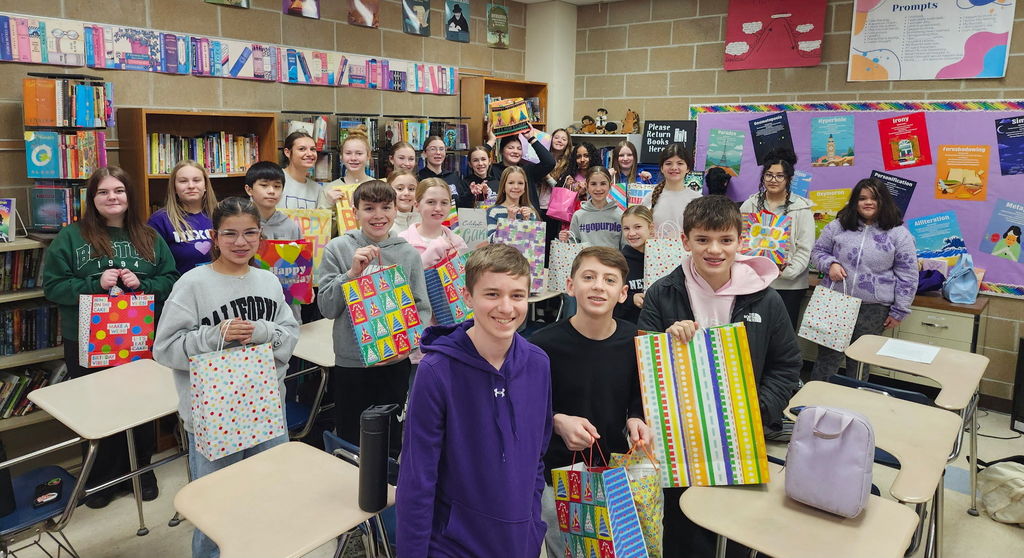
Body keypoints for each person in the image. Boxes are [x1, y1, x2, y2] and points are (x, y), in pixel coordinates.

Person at [638, 195, 802, 558]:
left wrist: (756, 411)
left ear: (740, 242)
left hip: (741, 437)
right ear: (685, 241)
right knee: (683, 526)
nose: (715, 250)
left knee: (736, 529)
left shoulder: (765, 299)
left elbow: (787, 365)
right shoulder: (663, 294)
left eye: (725, 240)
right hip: (679, 437)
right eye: (703, 240)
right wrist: (664, 342)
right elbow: (642, 360)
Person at [153, 196, 299, 558]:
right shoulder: (193, 283)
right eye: (230, 234)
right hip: (213, 416)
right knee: (216, 505)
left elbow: (289, 335)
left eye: (250, 233)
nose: (240, 242)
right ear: (215, 238)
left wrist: (263, 332)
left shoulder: (268, 281)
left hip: (267, 410)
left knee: (268, 495)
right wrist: (214, 335)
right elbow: (165, 348)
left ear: (260, 235)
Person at [396, 244, 552, 558]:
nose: (506, 308)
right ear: (467, 297)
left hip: (520, 542)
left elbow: (537, 455)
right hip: (454, 544)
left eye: (517, 296)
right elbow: (418, 477)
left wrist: (533, 527)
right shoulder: (437, 371)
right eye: (492, 294)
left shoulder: (538, 363)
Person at [42, 166, 179, 508]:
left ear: (129, 196)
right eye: (103, 192)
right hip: (87, 341)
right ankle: (101, 478)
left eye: (119, 190)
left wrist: (142, 284)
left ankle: (140, 471)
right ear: (92, 199)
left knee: (142, 407)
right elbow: (53, 287)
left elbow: (171, 280)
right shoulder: (71, 237)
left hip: (138, 339)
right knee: (97, 410)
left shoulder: (149, 237)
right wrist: (94, 285)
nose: (112, 197)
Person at [530, 246, 649, 558]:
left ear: (623, 293)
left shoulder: (635, 340)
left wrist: (635, 417)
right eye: (589, 277)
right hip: (558, 477)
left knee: (617, 549)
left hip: (616, 472)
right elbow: (525, 408)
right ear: (571, 286)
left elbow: (641, 394)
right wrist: (556, 420)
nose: (598, 285)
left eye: (609, 280)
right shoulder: (541, 346)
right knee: (566, 550)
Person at [317, 180, 432, 455]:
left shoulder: (406, 253)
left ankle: (388, 489)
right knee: (350, 436)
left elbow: (421, 307)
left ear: (396, 210)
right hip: (351, 364)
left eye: (385, 207)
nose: (378, 215)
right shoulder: (338, 248)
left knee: (390, 437)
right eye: (368, 208)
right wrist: (352, 275)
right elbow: (327, 308)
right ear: (354, 211)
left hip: (394, 364)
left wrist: (407, 345)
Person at [809, 178, 918, 381]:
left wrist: (900, 310)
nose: (868, 202)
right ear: (855, 202)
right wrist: (830, 264)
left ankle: (854, 408)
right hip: (835, 302)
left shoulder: (899, 234)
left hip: (873, 308)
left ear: (883, 201)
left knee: (860, 362)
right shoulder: (837, 226)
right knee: (827, 360)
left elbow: (908, 275)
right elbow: (818, 251)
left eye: (874, 198)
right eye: (862, 198)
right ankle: (813, 404)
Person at [739, 151, 815, 330]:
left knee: (782, 335)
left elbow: (805, 248)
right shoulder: (749, 205)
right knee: (753, 333)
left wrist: (787, 272)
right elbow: (738, 240)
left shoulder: (801, 208)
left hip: (789, 286)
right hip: (754, 283)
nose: (773, 180)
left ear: (788, 179)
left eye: (780, 176)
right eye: (769, 174)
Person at [245, 161, 304, 321]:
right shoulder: (242, 224)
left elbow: (301, 266)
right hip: (252, 301)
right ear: (249, 189)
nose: (271, 191)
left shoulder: (291, 226)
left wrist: (305, 286)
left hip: (287, 304)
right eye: (264, 185)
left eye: (277, 186)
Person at [147, 160, 218, 275]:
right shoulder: (159, 220)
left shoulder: (221, 215)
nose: (191, 186)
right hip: (179, 288)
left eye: (196, 180)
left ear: (205, 185)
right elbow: (153, 266)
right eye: (183, 181)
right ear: (174, 187)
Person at [399, 177, 469, 268]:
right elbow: (401, 279)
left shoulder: (457, 242)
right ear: (417, 205)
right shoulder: (403, 241)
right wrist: (431, 253)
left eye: (444, 203)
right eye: (431, 202)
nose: (438, 209)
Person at [485, 123, 555, 214]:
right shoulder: (493, 170)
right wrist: (491, 140)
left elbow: (549, 162)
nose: (515, 151)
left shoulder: (528, 169)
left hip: (529, 220)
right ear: (501, 151)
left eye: (519, 148)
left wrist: (531, 138)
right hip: (500, 219)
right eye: (511, 148)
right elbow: (477, 160)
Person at [642, 143, 701, 236]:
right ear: (661, 168)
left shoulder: (698, 199)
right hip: (656, 249)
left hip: (686, 250)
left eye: (680, 163)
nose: (674, 168)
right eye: (668, 163)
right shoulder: (649, 198)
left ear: (688, 168)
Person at [560, 166, 623, 249]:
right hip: (586, 261)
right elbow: (573, 244)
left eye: (603, 184)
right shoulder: (578, 216)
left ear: (610, 185)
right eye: (593, 184)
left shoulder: (620, 215)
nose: (598, 189)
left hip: (613, 261)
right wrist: (566, 239)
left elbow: (625, 246)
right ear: (587, 186)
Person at [616, 205, 654, 323]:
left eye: (637, 227)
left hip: (658, 329)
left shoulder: (662, 258)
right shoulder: (619, 262)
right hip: (629, 327)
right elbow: (612, 298)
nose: (631, 233)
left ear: (651, 228)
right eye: (626, 228)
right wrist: (632, 299)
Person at [280, 131, 331, 209]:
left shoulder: (317, 189)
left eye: (313, 149)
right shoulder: (275, 180)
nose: (309, 154)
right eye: (302, 149)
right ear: (287, 152)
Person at [418, 135, 472, 208]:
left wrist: (471, 193)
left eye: (441, 149)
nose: (438, 152)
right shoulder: (419, 178)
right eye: (433, 149)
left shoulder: (453, 177)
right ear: (424, 153)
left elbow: (462, 205)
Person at [486, 166, 539, 241]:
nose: (516, 186)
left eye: (520, 183)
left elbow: (535, 242)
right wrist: (509, 221)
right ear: (503, 187)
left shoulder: (530, 213)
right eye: (511, 183)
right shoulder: (493, 212)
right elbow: (490, 241)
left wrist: (527, 222)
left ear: (525, 188)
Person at [388, 169, 421, 234]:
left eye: (411, 189)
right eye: (400, 189)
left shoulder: (425, 219)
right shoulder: (383, 222)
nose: (406, 193)